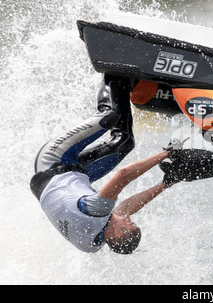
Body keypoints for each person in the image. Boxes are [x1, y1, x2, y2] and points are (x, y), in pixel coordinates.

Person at [30, 74, 184, 254]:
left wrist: (166, 153)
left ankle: (113, 74)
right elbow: (125, 207)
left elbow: (124, 174)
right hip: (70, 177)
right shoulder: (93, 244)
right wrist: (166, 183)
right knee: (124, 143)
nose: (128, 218)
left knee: (109, 116)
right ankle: (127, 85)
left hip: (52, 161)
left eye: (130, 223)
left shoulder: (97, 213)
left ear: (119, 232)